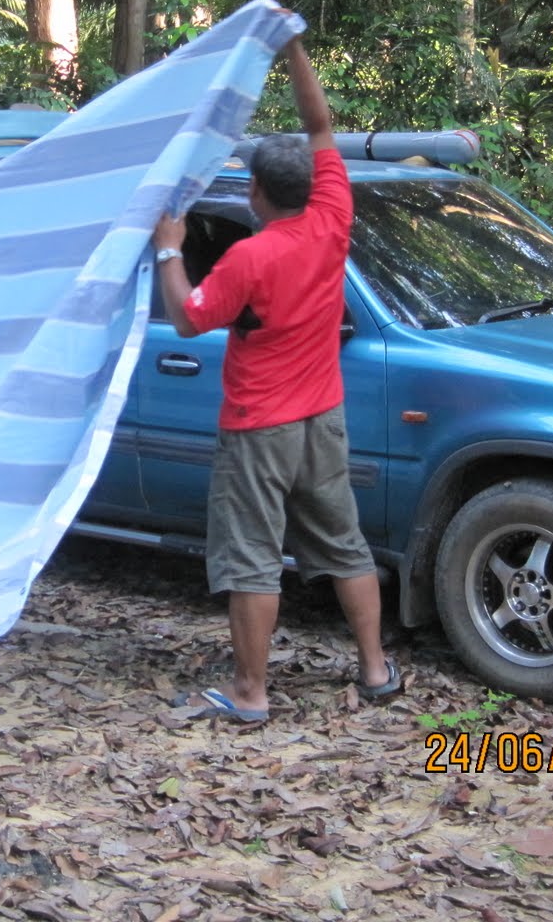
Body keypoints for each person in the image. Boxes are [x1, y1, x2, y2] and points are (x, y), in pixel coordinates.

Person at [152, 35, 399, 721]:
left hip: (260, 428)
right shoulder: (332, 219)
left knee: (252, 559)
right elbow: (321, 125)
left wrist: (170, 249)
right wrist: (293, 51)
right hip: (322, 416)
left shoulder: (247, 260)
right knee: (345, 543)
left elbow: (186, 319)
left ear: (256, 191)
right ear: (312, 185)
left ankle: (250, 692)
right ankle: (376, 669)